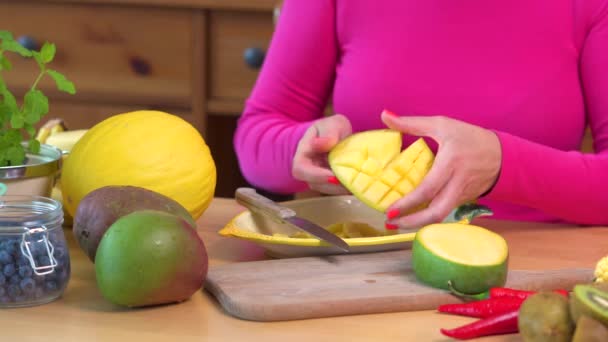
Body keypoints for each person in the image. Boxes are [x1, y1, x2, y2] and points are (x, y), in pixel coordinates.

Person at [233, 0, 608, 230]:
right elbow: (256, 135)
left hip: (538, 271)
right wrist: (302, 145)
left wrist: (503, 164)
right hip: (364, 267)